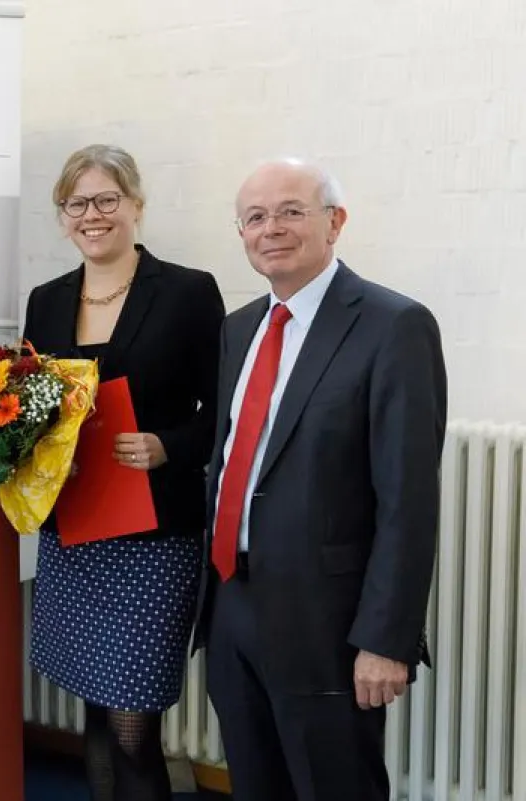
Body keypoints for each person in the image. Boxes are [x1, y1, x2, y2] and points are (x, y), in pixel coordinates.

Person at [195, 158, 447, 800]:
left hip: (328, 624)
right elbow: (231, 462)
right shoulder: (239, 329)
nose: (270, 228)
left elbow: (407, 501)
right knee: (254, 785)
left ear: (335, 222)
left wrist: (386, 640)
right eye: (255, 217)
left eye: (290, 211)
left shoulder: (393, 326)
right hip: (233, 607)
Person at [23, 144, 225, 801]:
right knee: (94, 710)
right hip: (75, 528)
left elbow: (224, 410)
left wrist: (169, 444)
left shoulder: (189, 291)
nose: (92, 214)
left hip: (153, 536)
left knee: (134, 724)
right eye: (76, 203)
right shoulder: (46, 300)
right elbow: (35, 406)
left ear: (136, 205)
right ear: (62, 217)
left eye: (107, 198)